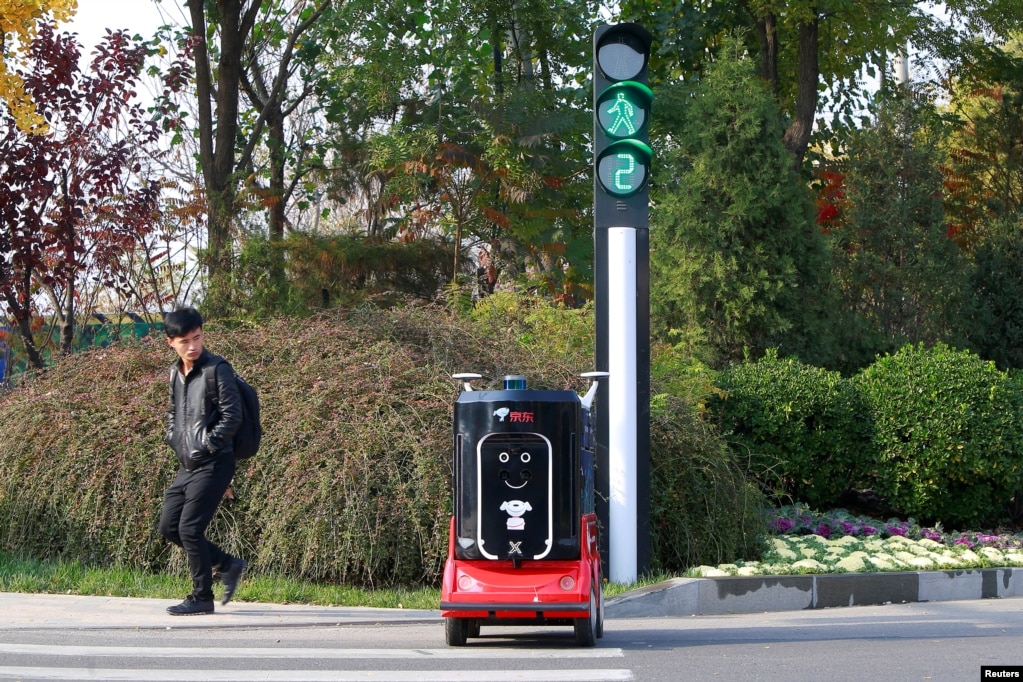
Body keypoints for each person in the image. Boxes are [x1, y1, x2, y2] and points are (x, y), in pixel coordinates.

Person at [159, 307, 247, 615]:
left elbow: (232, 416)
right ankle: (228, 564)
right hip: (188, 464)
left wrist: (208, 445)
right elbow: (174, 413)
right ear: (171, 341)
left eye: (197, 337)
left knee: (190, 529)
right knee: (170, 526)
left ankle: (202, 597)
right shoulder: (175, 373)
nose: (193, 346)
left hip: (214, 461)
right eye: (185, 341)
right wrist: (174, 438)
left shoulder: (216, 369)